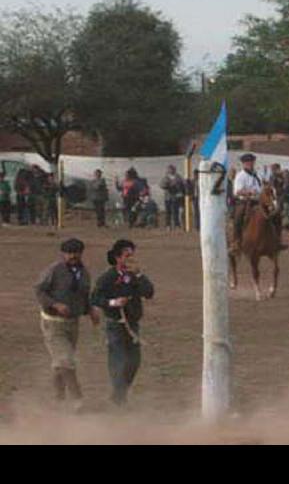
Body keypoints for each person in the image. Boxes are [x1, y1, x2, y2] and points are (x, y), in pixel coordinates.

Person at [34, 238, 100, 411]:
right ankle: (78, 399)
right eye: (69, 252)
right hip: (53, 323)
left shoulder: (84, 273)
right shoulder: (54, 270)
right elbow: (39, 290)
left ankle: (58, 399)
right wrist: (54, 304)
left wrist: (90, 310)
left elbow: (84, 296)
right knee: (66, 361)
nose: (72, 256)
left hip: (73, 323)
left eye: (76, 252)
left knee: (60, 364)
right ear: (63, 254)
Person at [91, 239, 155, 407]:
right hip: (114, 324)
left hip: (132, 325)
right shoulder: (108, 277)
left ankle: (120, 393)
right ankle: (119, 398)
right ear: (118, 258)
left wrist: (140, 275)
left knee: (134, 361)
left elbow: (149, 293)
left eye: (132, 256)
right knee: (118, 360)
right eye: (127, 256)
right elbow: (95, 298)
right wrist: (113, 303)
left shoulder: (135, 276)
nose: (131, 260)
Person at [159, 165, 185, 231]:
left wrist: (181, 192)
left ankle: (177, 225)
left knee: (175, 212)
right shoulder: (166, 177)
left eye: (172, 169)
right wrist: (168, 185)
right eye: (170, 169)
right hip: (168, 197)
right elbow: (161, 185)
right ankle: (168, 225)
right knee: (168, 212)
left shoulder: (178, 177)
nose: (171, 170)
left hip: (176, 197)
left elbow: (183, 185)